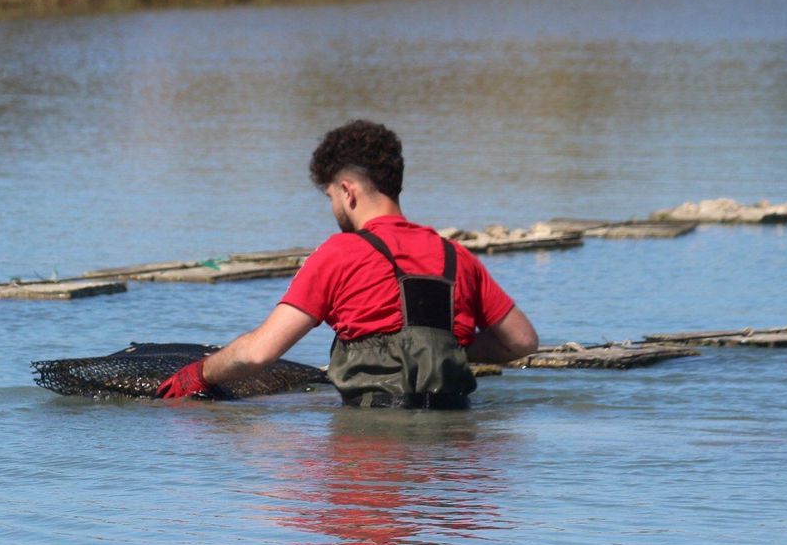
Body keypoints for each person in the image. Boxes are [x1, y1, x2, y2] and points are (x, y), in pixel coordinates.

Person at [156, 120, 538, 408]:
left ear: (347, 191)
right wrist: (449, 348)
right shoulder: (458, 257)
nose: (333, 207)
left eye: (330, 196)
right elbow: (521, 341)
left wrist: (196, 375)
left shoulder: (340, 254)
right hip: (454, 455)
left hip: (369, 451)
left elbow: (257, 353)